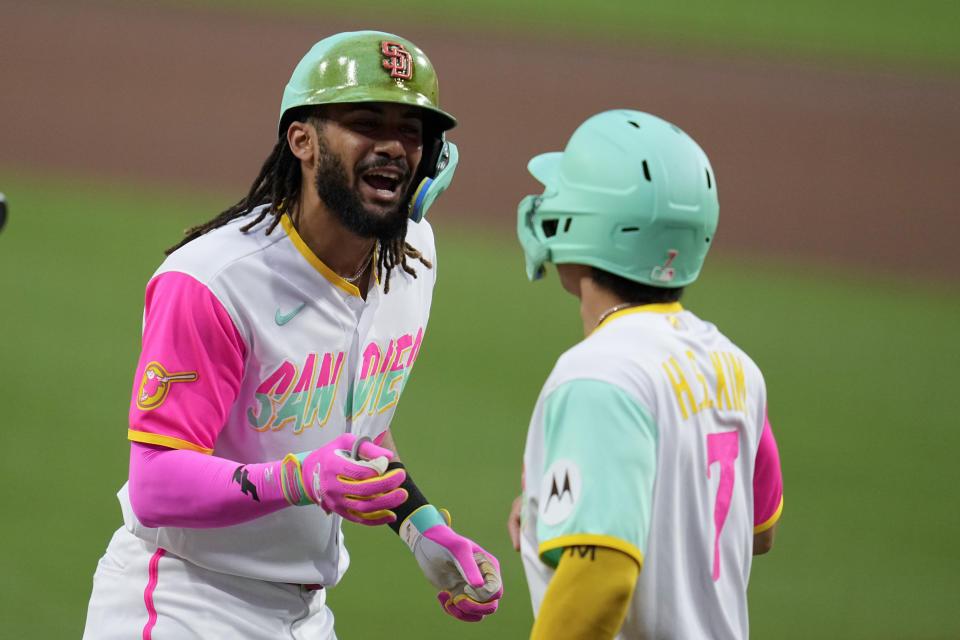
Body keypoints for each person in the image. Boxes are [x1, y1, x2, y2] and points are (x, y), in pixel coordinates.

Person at [82, 31, 502, 640]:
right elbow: (155, 482)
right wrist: (302, 478)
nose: (393, 146)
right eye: (365, 121)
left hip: (306, 615)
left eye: (411, 130)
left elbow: (354, 425)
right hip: (183, 601)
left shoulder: (412, 261)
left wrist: (423, 528)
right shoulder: (215, 281)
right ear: (301, 139)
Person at [507, 109, 783, 639]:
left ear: (588, 225)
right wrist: (557, 504)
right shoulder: (734, 363)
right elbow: (758, 528)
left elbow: (601, 578)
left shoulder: (598, 374)